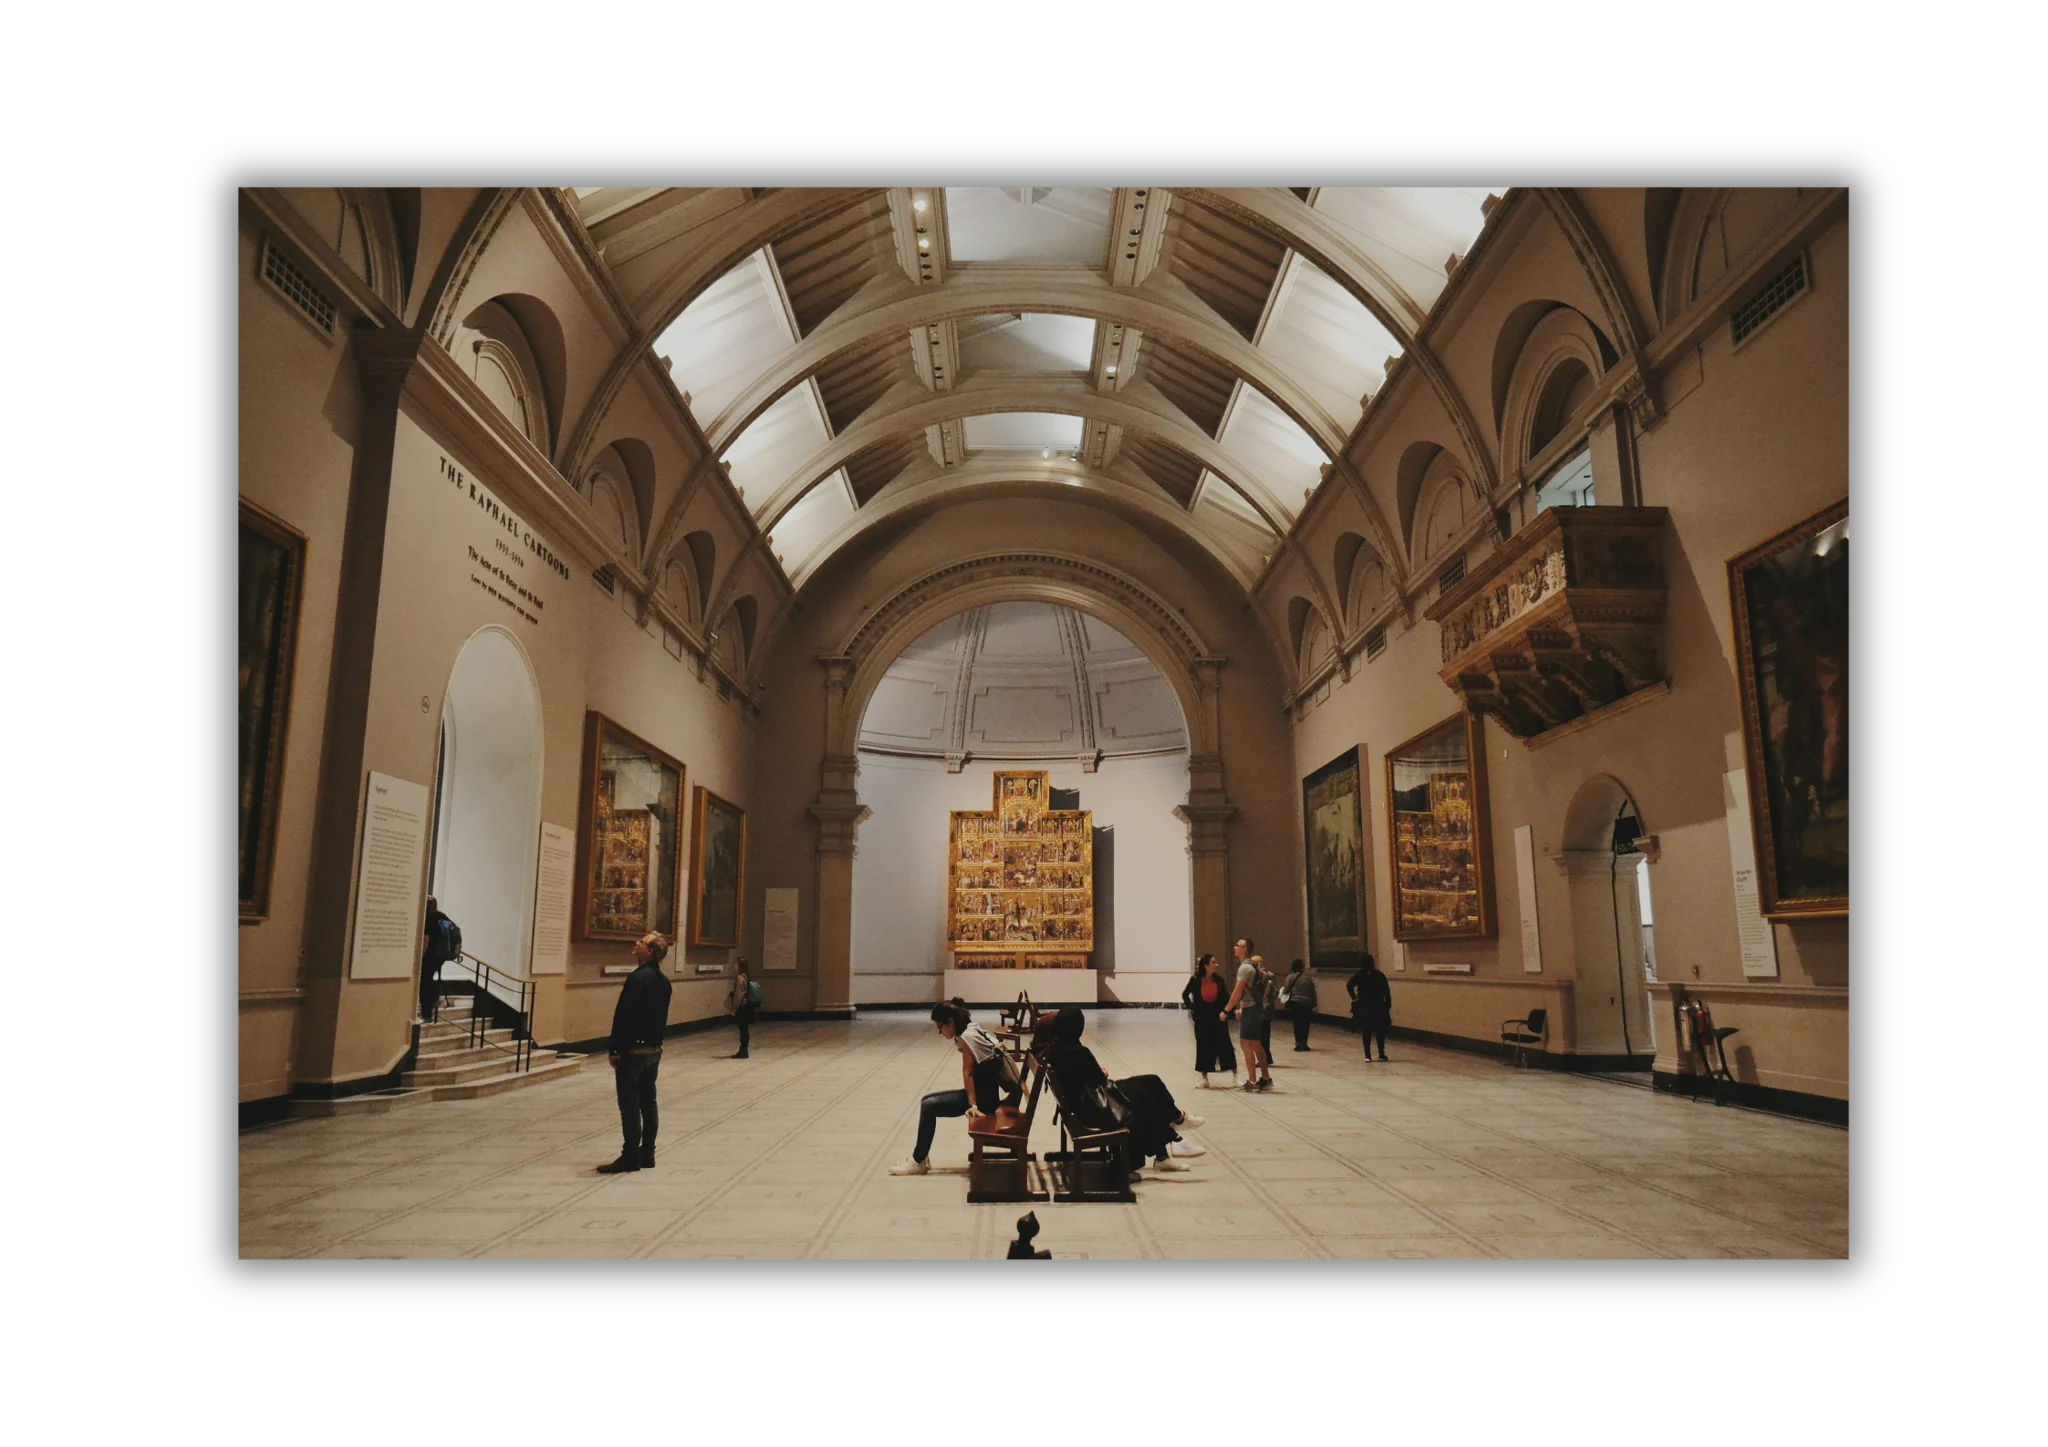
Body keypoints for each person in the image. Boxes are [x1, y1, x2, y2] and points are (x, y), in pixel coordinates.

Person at [1038, 1007, 1205, 1178]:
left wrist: (1096, 1072)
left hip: (1087, 1101)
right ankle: (1172, 1140)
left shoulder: (1055, 1049)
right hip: (1094, 1109)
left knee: (1151, 1081)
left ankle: (1177, 1122)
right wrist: (1101, 1072)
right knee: (1144, 1096)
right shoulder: (1078, 1052)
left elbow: (1085, 1076)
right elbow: (1098, 1079)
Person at [889, 999, 1020, 1175]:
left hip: (985, 1101)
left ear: (950, 1022)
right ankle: (921, 1156)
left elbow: (968, 1073)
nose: (939, 1032)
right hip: (987, 1094)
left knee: (929, 1106)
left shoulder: (967, 1036)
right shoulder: (971, 1028)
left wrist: (973, 1106)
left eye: (940, 1027)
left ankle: (918, 1161)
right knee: (926, 1100)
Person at [599, 932, 674, 1173]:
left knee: (630, 1106)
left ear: (650, 951)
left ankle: (630, 1155)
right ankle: (648, 1153)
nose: (636, 943)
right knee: (649, 1103)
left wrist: (615, 1048)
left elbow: (624, 1016)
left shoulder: (637, 979)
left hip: (633, 1050)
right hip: (653, 1049)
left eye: (641, 942)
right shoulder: (664, 982)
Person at [1181, 953, 1237, 1087]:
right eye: (1213, 962)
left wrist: (1229, 1011)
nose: (1216, 965)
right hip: (1202, 1017)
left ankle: (1235, 1075)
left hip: (1218, 1016)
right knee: (1203, 1046)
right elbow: (1185, 995)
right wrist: (1193, 1008)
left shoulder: (1219, 980)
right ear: (1206, 966)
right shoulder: (1195, 980)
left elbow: (1226, 997)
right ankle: (1204, 1078)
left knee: (1225, 1044)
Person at [1224, 942, 1274, 1090]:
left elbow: (1237, 991)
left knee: (1246, 1043)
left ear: (1244, 949)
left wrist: (1226, 1010)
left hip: (1250, 1009)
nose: (1234, 947)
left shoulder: (1245, 968)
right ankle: (1265, 1079)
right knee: (1256, 1044)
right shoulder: (1254, 966)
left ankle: (1252, 1082)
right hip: (1256, 1008)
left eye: (1238, 945)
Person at [418, 896, 459, 1025]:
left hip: (430, 955)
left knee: (424, 981)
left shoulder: (427, 918)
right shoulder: (441, 916)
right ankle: (435, 999)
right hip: (440, 956)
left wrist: (420, 957)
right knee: (428, 979)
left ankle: (427, 1012)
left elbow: (426, 940)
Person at [1348, 954, 1393, 1062]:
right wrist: (1388, 1005)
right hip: (1378, 1005)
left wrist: (1354, 998)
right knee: (1380, 1030)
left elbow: (1349, 985)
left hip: (1364, 1004)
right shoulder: (1379, 975)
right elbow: (1387, 992)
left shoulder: (1359, 975)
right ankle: (1381, 1053)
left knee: (1366, 1030)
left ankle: (1367, 1055)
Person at [1282, 958, 1318, 1050]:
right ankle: (1304, 1043)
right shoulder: (1308, 979)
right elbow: (1313, 993)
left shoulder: (1290, 977)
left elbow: (1286, 990)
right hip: (1307, 1003)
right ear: (1302, 968)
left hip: (1295, 1002)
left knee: (1297, 1023)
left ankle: (1298, 1044)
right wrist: (1315, 1005)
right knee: (1305, 1024)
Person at [727, 956, 757, 1059]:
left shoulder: (740, 978)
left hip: (742, 1006)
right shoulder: (747, 977)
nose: (734, 966)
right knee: (745, 1029)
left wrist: (734, 1009)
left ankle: (743, 1050)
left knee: (743, 1028)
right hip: (748, 1005)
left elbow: (738, 995)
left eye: (736, 964)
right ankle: (744, 1049)